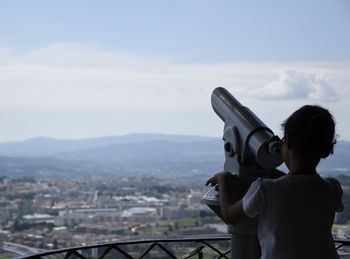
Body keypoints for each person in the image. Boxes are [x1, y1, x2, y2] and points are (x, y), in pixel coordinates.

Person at [206, 105, 344, 259]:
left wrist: (223, 179)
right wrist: (270, 172)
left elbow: (230, 216)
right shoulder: (332, 188)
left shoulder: (265, 189)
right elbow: (300, 187)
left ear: (288, 142)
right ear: (325, 150)